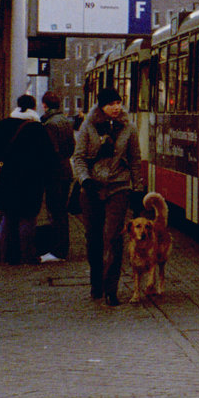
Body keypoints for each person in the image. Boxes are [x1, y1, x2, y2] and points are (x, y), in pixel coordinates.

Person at [72, 88, 145, 306]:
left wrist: (138, 189)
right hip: (92, 188)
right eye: (111, 103)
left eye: (118, 102)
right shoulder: (88, 126)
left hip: (118, 186)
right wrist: (85, 180)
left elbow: (134, 159)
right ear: (101, 106)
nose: (116, 107)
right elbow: (79, 157)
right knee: (93, 238)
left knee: (113, 237)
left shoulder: (129, 128)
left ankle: (111, 289)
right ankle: (96, 283)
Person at [0, 94, 55, 265]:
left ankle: (7, 255)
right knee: (27, 218)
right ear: (34, 108)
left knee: (8, 217)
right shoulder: (38, 128)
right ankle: (26, 255)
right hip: (31, 181)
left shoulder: (4, 125)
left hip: (7, 178)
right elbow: (47, 156)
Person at [40, 91, 77, 261]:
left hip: (54, 173)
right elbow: (71, 147)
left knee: (55, 212)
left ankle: (58, 250)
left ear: (45, 105)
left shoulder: (49, 125)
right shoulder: (65, 121)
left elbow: (50, 151)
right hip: (66, 170)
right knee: (62, 212)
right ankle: (62, 248)